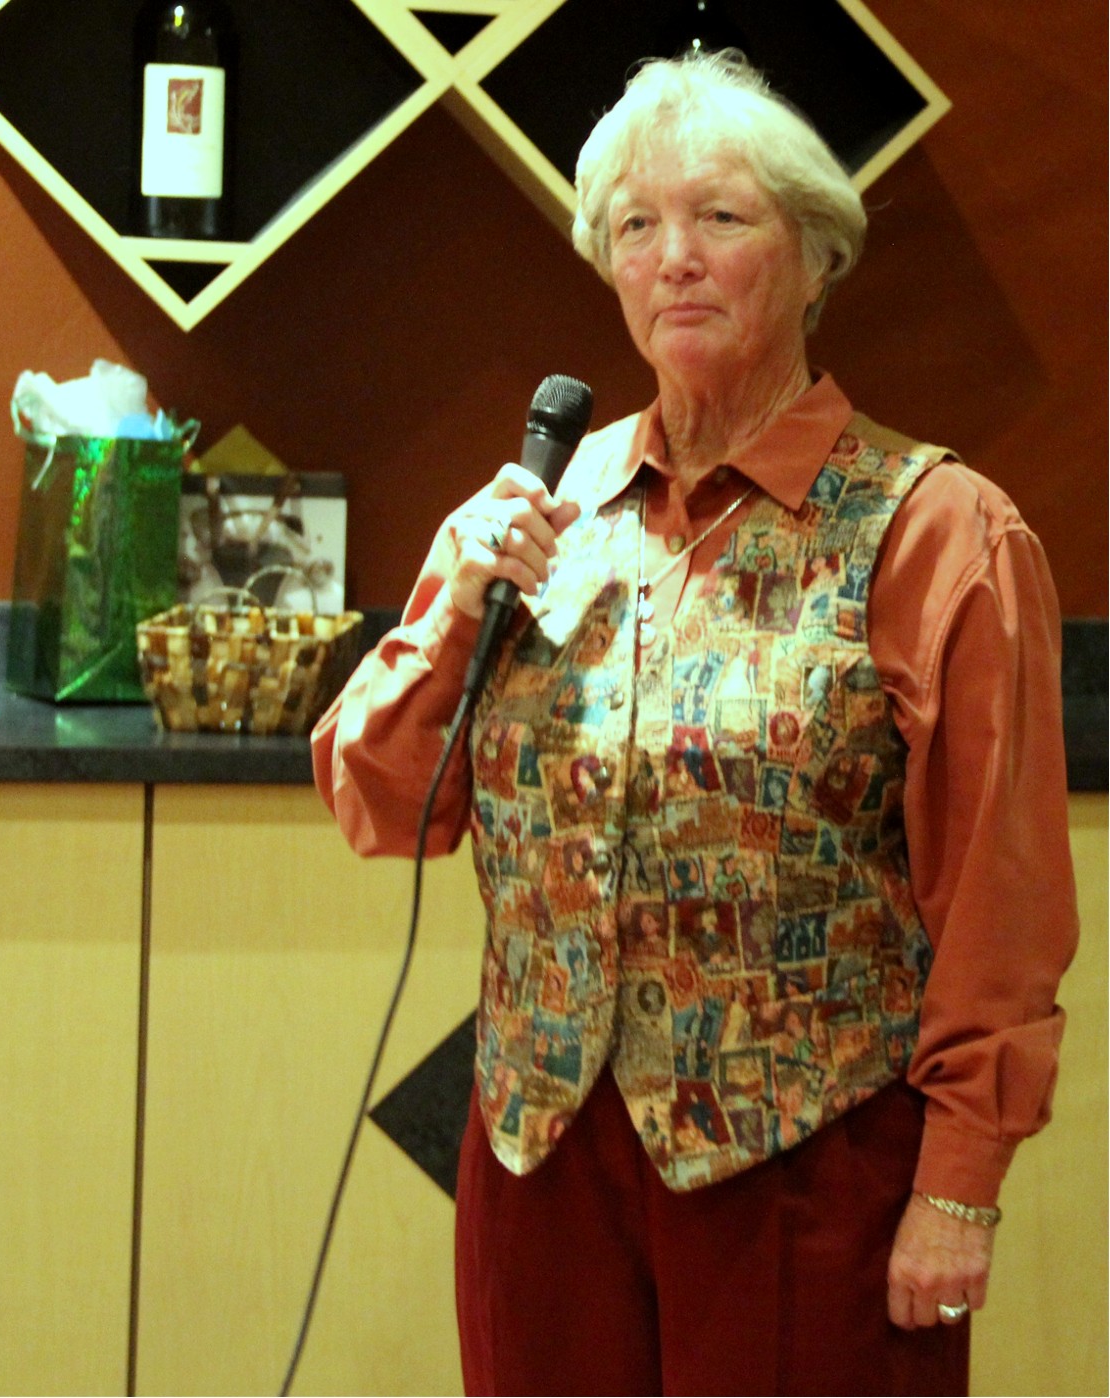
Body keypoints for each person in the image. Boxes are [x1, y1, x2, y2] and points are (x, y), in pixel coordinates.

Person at [311, 49, 1078, 1397]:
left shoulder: (938, 531)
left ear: (817, 254)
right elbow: (381, 804)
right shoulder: (543, 509)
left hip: (808, 1168)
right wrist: (452, 612)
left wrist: (959, 1185)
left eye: (720, 217)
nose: (674, 258)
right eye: (635, 226)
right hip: (542, 1165)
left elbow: (1000, 909)